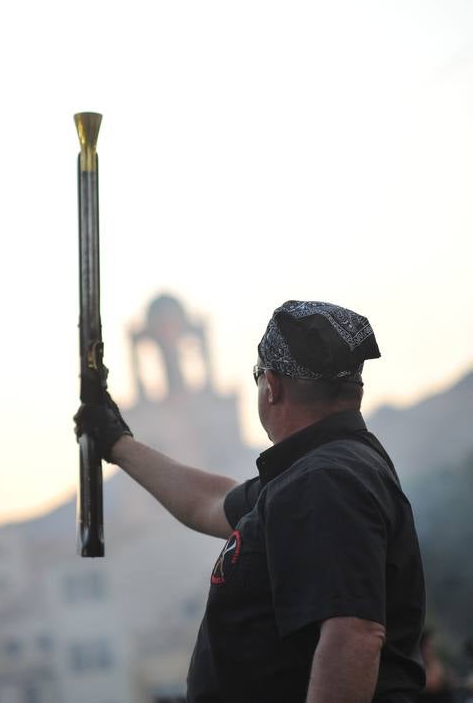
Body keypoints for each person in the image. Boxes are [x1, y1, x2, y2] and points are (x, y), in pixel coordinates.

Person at [75, 299, 426, 702]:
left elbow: (355, 634)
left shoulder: (326, 480)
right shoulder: (314, 474)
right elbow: (212, 501)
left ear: (271, 387)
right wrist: (118, 443)